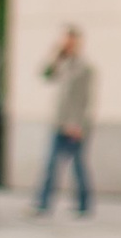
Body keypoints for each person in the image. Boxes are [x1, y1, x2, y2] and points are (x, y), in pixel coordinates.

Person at [32, 26, 96, 216]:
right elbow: (45, 75)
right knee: (50, 164)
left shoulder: (85, 68)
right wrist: (54, 55)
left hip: (75, 126)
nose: (67, 44)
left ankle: (85, 204)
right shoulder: (62, 64)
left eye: (70, 41)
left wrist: (77, 124)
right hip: (58, 123)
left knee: (78, 166)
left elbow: (85, 100)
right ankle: (43, 203)